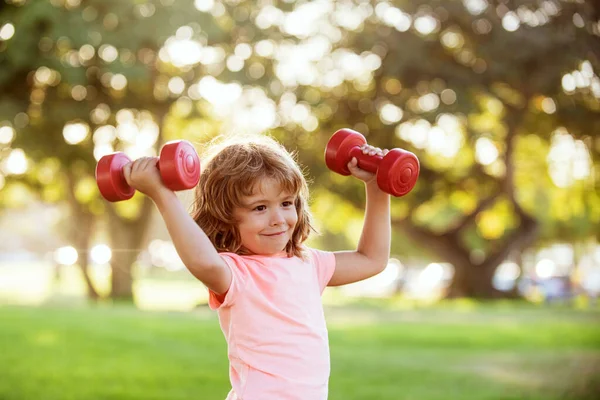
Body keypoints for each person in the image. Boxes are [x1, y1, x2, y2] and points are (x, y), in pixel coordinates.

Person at [122, 134, 391, 400]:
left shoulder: (309, 264)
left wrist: (377, 187)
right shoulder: (237, 273)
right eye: (260, 208)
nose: (278, 219)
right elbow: (202, 261)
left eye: (286, 203)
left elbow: (372, 259)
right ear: (225, 217)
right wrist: (162, 194)